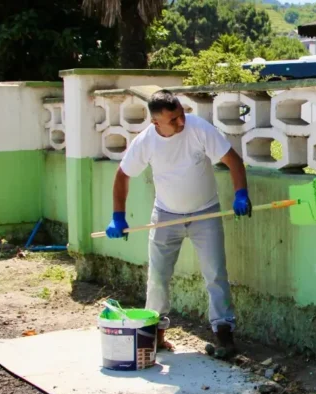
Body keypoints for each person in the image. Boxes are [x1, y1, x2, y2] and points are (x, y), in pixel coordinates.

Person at [105, 89, 251, 360]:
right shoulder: (146, 141)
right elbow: (123, 175)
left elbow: (233, 160)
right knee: (158, 278)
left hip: (205, 214)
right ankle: (155, 335)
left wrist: (241, 193)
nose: (181, 122)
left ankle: (224, 335)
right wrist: (118, 215)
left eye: (181, 115)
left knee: (215, 274)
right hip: (165, 216)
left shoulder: (198, 128)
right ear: (155, 122)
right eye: (173, 120)